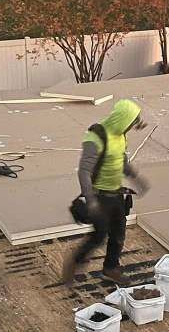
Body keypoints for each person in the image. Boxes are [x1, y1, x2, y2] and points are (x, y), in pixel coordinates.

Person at [62, 98, 148, 286]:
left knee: (118, 234)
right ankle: (74, 263)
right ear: (122, 120)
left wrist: (137, 178)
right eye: (131, 123)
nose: (132, 127)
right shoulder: (96, 137)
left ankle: (110, 268)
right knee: (99, 235)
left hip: (116, 194)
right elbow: (84, 171)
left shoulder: (121, 135)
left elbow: (121, 162)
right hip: (99, 196)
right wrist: (90, 200)